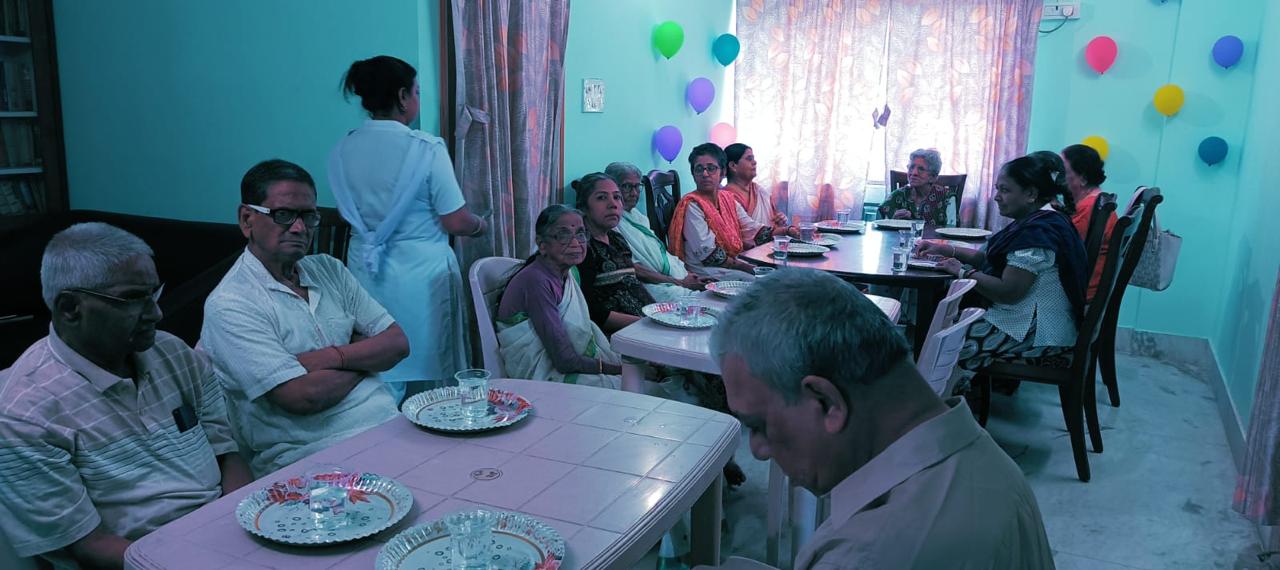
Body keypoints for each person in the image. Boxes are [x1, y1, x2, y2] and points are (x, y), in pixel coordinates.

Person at [703, 269, 1054, 569]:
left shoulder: (868, 553)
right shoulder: (981, 458)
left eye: (758, 425)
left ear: (826, 402)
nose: (759, 450)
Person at [0, 223, 252, 569]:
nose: (156, 313)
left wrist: (247, 529)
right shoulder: (24, 414)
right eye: (134, 298)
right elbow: (89, 546)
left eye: (154, 293)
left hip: (220, 538)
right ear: (71, 307)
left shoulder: (174, 354)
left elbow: (227, 455)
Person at [201, 159, 410, 476]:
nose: (299, 228)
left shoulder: (329, 269)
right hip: (311, 458)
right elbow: (302, 396)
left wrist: (328, 357)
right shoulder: (232, 303)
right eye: (283, 215)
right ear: (247, 219)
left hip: (388, 425)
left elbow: (397, 343)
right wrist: (365, 357)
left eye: (308, 216)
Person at [329, 55, 486, 402]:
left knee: (377, 368)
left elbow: (348, 212)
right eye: (416, 91)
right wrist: (480, 225)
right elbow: (455, 221)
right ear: (403, 96)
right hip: (420, 275)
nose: (417, 99)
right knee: (428, 368)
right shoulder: (425, 149)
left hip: (363, 274)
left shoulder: (342, 149)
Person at [919, 154, 1087, 375]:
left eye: (1005, 190)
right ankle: (951, 390)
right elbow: (987, 258)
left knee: (944, 340)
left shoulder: (1038, 233)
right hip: (1030, 318)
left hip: (1038, 331)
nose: (997, 197)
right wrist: (946, 249)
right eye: (998, 189)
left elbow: (1008, 292)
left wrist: (962, 271)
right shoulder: (1037, 219)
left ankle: (940, 400)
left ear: (1030, 194)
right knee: (941, 326)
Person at [495, 205, 622, 388]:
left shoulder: (567, 274)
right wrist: (617, 369)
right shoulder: (537, 281)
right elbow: (564, 362)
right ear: (542, 244)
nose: (576, 243)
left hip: (567, 366)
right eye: (563, 235)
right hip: (544, 375)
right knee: (642, 388)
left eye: (580, 233)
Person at [669, 143, 794, 280]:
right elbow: (710, 256)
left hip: (729, 264)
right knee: (762, 280)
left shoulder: (727, 199)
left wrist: (788, 231)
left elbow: (752, 229)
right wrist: (748, 268)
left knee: (782, 271)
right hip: (705, 271)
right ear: (693, 174)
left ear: (722, 172)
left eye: (711, 168)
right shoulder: (692, 205)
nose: (705, 174)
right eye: (699, 169)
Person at [605, 161, 709, 302]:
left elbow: (661, 253)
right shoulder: (611, 223)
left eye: (637, 186)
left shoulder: (638, 217)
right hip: (649, 284)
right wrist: (680, 282)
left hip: (673, 278)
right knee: (701, 303)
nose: (634, 193)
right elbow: (633, 268)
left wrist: (688, 276)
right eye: (627, 186)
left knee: (713, 294)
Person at [574, 172, 659, 333]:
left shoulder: (616, 239)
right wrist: (646, 324)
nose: (613, 204)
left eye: (617, 197)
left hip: (648, 323)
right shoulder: (581, 247)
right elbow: (590, 311)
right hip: (620, 336)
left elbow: (632, 285)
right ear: (583, 207)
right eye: (601, 198)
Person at [1062, 143, 1116, 301]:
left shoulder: (1088, 208)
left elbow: (1063, 251)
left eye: (1063, 172)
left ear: (1083, 178)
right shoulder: (1098, 200)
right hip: (1093, 283)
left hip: (1082, 288)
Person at [878, 148, 958, 231]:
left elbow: (951, 230)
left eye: (921, 169)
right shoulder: (897, 195)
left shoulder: (947, 198)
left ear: (933, 177)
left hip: (934, 243)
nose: (914, 173)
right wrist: (893, 222)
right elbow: (879, 225)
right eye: (911, 167)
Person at [724, 143, 787, 229]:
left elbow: (774, 221)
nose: (754, 162)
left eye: (753, 159)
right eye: (749, 159)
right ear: (733, 166)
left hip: (770, 241)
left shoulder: (760, 192)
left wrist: (781, 221)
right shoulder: (725, 197)